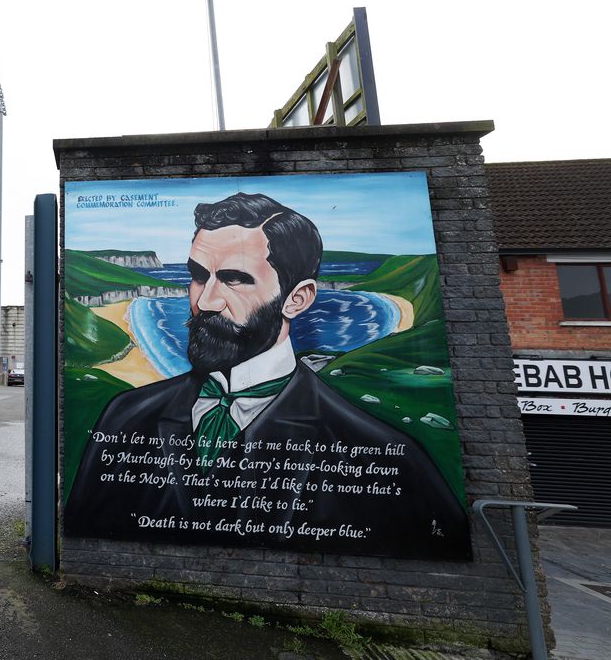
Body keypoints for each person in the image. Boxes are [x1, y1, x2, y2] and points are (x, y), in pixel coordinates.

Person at [64, 192, 469, 559]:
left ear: (298, 298)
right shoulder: (126, 415)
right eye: (198, 275)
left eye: (235, 279)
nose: (205, 301)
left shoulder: (387, 456)